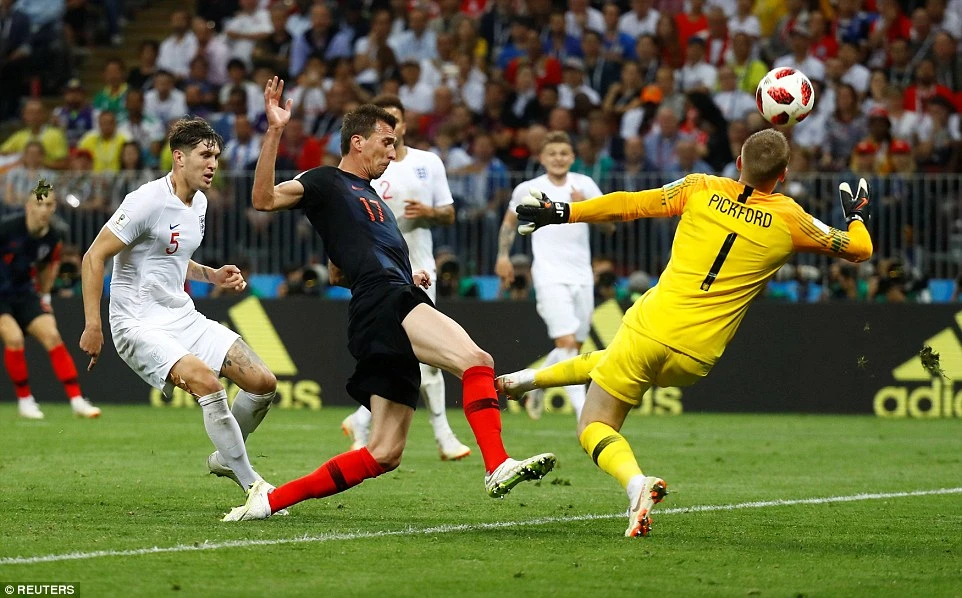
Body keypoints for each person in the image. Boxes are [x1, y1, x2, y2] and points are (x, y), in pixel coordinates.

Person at [496, 129, 873, 537]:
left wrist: (564, 211)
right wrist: (857, 216)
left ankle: (636, 485)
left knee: (593, 425)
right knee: (613, 360)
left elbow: (629, 205)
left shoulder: (700, 187)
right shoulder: (790, 219)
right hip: (696, 357)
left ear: (739, 163)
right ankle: (526, 381)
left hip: (650, 327)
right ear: (782, 175)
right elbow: (860, 249)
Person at [223, 78, 556, 521]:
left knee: (383, 453)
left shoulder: (372, 197)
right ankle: (497, 464)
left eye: (396, 144)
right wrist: (275, 130)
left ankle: (268, 501)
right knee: (477, 361)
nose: (393, 152)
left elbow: (339, 273)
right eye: (386, 142)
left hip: (381, 301)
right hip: (386, 301)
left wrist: (402, 272)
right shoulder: (325, 180)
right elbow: (263, 199)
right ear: (357, 142)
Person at [79, 117, 279, 495]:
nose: (213, 164)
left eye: (216, 157)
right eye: (205, 155)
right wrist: (93, 324)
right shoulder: (146, 201)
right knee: (207, 383)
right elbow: (94, 256)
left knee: (262, 383)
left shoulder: (199, 202)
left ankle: (227, 456)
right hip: (137, 323)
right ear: (179, 157)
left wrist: (212, 275)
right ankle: (253, 486)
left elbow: (171, 256)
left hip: (181, 315)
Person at [339, 95, 471, 462]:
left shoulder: (428, 163)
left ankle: (362, 422)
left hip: (420, 267)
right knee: (400, 354)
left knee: (423, 356)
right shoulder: (367, 169)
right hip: (380, 273)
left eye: (394, 123)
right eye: (383, 126)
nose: (390, 132)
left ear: (404, 126)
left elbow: (449, 214)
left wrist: (429, 211)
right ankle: (443, 436)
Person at [495, 131, 602, 421]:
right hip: (548, 274)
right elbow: (509, 224)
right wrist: (503, 256)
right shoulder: (529, 189)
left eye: (563, 153)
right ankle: (584, 415)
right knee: (566, 343)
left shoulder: (585, 185)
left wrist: (585, 208)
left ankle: (536, 383)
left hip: (582, 274)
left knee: (575, 347)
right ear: (541, 158)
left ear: (573, 158)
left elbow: (611, 225)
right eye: (552, 154)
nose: (558, 159)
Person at [1, 188, 101, 420]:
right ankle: (25, 401)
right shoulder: (7, 228)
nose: (44, 210)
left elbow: (49, 265)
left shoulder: (54, 236)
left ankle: (77, 400)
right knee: (14, 338)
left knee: (52, 336)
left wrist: (44, 297)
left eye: (49, 205)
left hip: (24, 293)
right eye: (39, 204)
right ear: (28, 207)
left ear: (54, 207)